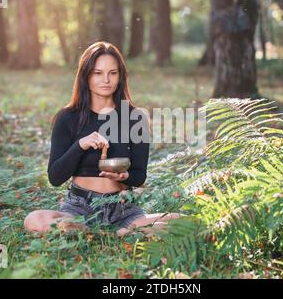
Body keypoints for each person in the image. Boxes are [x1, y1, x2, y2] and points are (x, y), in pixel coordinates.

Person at [24, 42, 179, 237]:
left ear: (120, 76)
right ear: (86, 76)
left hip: (122, 209)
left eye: (112, 73)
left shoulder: (135, 117)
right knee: (34, 219)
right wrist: (80, 145)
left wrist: (124, 177)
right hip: (79, 208)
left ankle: (121, 231)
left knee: (182, 221)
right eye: (98, 73)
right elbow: (55, 177)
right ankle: (88, 230)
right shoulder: (67, 117)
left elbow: (139, 176)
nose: (106, 80)